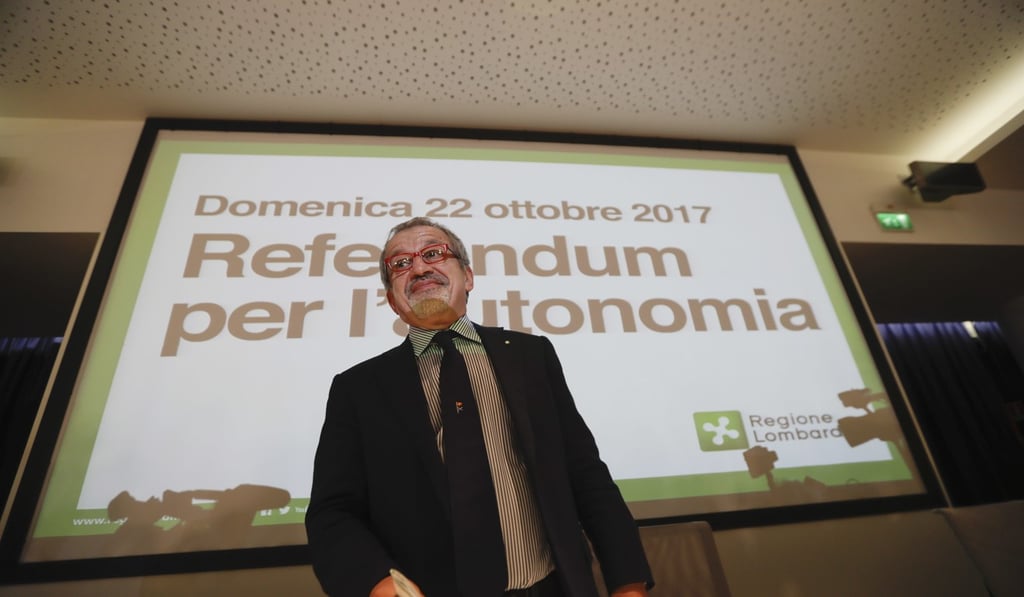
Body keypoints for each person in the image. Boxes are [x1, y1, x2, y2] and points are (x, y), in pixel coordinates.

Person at [306, 217, 653, 597]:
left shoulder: (531, 357)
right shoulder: (358, 389)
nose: (419, 267)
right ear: (392, 299)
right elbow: (333, 511)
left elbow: (586, 474)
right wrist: (376, 583)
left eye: (433, 253)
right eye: (400, 264)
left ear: (467, 276)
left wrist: (628, 582)